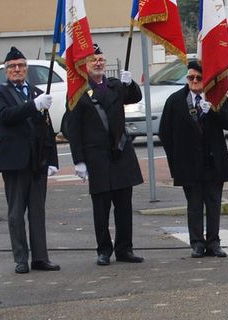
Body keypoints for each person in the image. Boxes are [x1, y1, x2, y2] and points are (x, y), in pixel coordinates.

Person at [65, 44, 145, 266]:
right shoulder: (78, 91)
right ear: (85, 65)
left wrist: (131, 83)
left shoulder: (115, 85)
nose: (98, 63)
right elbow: (73, 128)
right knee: (101, 209)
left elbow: (134, 97)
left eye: (101, 59)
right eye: (93, 60)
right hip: (97, 158)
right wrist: (79, 160)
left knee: (124, 207)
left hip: (120, 155)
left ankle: (124, 249)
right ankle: (103, 250)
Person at [0, 46, 60, 274]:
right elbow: (5, 116)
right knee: (16, 212)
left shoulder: (38, 93)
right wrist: (33, 106)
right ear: (6, 70)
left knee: (38, 212)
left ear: (27, 69)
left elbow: (47, 129)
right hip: (14, 161)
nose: (17, 69)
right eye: (12, 67)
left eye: (21, 66)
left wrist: (52, 160)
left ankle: (40, 257)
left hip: (37, 161)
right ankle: (21, 258)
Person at [159, 61, 228, 258]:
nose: (194, 81)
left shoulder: (217, 98)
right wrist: (175, 161)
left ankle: (214, 242)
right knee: (194, 205)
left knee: (213, 204)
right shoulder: (175, 101)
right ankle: (197, 243)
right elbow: (165, 132)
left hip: (213, 161)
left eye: (198, 78)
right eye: (190, 77)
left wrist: (213, 110)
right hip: (189, 163)